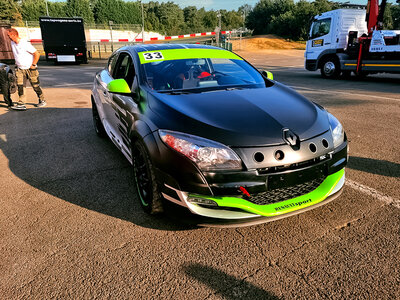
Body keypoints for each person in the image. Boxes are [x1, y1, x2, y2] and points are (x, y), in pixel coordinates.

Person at [7, 28, 46, 110]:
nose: (8, 37)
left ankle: (42, 99)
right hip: (20, 69)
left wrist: (33, 65)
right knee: (20, 86)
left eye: (9, 35)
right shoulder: (12, 43)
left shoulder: (24, 44)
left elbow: (37, 54)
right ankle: (21, 103)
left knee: (35, 85)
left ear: (14, 35)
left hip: (30, 69)